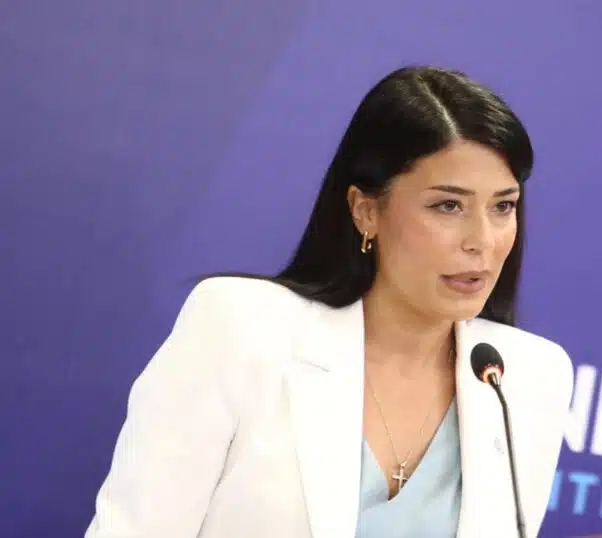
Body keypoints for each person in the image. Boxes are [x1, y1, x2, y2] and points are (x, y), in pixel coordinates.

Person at [84, 65, 573, 538]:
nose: (482, 240)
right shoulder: (240, 327)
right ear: (366, 211)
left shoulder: (525, 377)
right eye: (448, 205)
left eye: (503, 206)